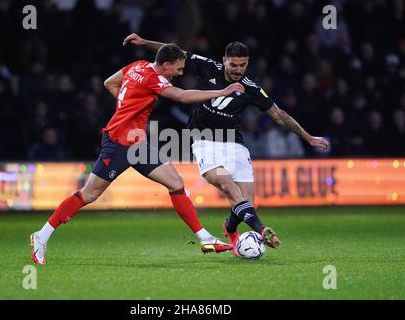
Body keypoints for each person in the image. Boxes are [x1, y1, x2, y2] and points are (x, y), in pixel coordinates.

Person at [30, 44, 246, 264]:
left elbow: (110, 83)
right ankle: (41, 235)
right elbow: (181, 96)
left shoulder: (137, 66)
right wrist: (223, 91)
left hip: (137, 144)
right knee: (89, 194)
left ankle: (205, 238)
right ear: (166, 65)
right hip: (118, 144)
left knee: (176, 183)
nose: (180, 74)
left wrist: (127, 108)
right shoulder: (153, 78)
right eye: (178, 69)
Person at [123, 33, 330, 256]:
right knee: (228, 185)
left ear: (247, 63)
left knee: (247, 203)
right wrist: (145, 43)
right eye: (233, 64)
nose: (238, 69)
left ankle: (229, 227)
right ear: (224, 60)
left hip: (234, 143)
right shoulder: (207, 66)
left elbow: (279, 115)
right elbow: (172, 52)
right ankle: (262, 230)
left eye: (242, 65)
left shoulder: (251, 87)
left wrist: (308, 137)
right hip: (204, 141)